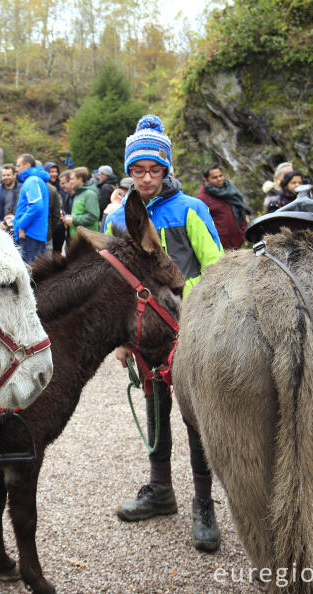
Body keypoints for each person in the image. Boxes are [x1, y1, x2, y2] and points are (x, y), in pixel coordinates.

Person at [104, 115, 224, 553]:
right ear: (129, 171)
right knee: (155, 411)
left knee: (195, 417)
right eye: (139, 170)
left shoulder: (192, 209)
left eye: (155, 169)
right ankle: (160, 490)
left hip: (188, 330)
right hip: (143, 337)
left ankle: (203, 503)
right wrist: (121, 338)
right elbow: (114, 283)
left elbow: (214, 267)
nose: (148, 177)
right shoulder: (118, 215)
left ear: (167, 168)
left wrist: (187, 308)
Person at [196, 165, 248, 251]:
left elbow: (240, 210)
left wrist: (243, 230)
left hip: (237, 241)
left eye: (220, 175)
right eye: (214, 177)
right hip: (219, 246)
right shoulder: (202, 199)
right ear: (206, 180)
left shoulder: (231, 191)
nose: (219, 179)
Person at [12, 154, 50, 264]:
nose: (16, 169)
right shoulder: (36, 179)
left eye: (18, 166)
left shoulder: (31, 180)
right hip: (34, 235)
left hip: (29, 235)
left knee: (31, 275)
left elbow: (36, 205)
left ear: (27, 165)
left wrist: (22, 226)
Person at [61, 167, 100, 240]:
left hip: (87, 239)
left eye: (72, 179)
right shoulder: (78, 193)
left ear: (80, 179)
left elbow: (93, 216)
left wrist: (73, 220)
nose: (71, 181)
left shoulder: (90, 194)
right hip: (76, 238)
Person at [0, 163, 18, 231]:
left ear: (14, 175)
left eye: (8, 175)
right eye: (3, 175)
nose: (5, 177)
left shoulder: (21, 189)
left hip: (17, 228)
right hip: (2, 229)